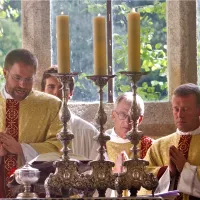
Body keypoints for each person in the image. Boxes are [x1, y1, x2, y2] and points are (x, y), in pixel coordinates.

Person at [0, 49, 63, 197]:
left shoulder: (51, 105)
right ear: (5, 73)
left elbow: (60, 148)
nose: (22, 85)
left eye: (28, 79)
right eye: (17, 77)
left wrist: (22, 149)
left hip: (37, 190)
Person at [142, 83, 200, 199]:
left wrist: (185, 168)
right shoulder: (158, 146)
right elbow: (143, 179)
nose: (180, 115)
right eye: (176, 109)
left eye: (185, 109)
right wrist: (168, 172)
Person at [41, 66, 99, 160]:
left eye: (62, 87)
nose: (56, 92)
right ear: (42, 92)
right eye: (51, 87)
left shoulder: (90, 133)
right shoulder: (35, 131)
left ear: (71, 92)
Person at [104, 92, 154, 197]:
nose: (127, 121)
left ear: (140, 119)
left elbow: (156, 182)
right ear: (113, 115)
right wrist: (115, 172)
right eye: (123, 115)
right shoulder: (101, 144)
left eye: (133, 116)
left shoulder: (149, 145)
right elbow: (90, 182)